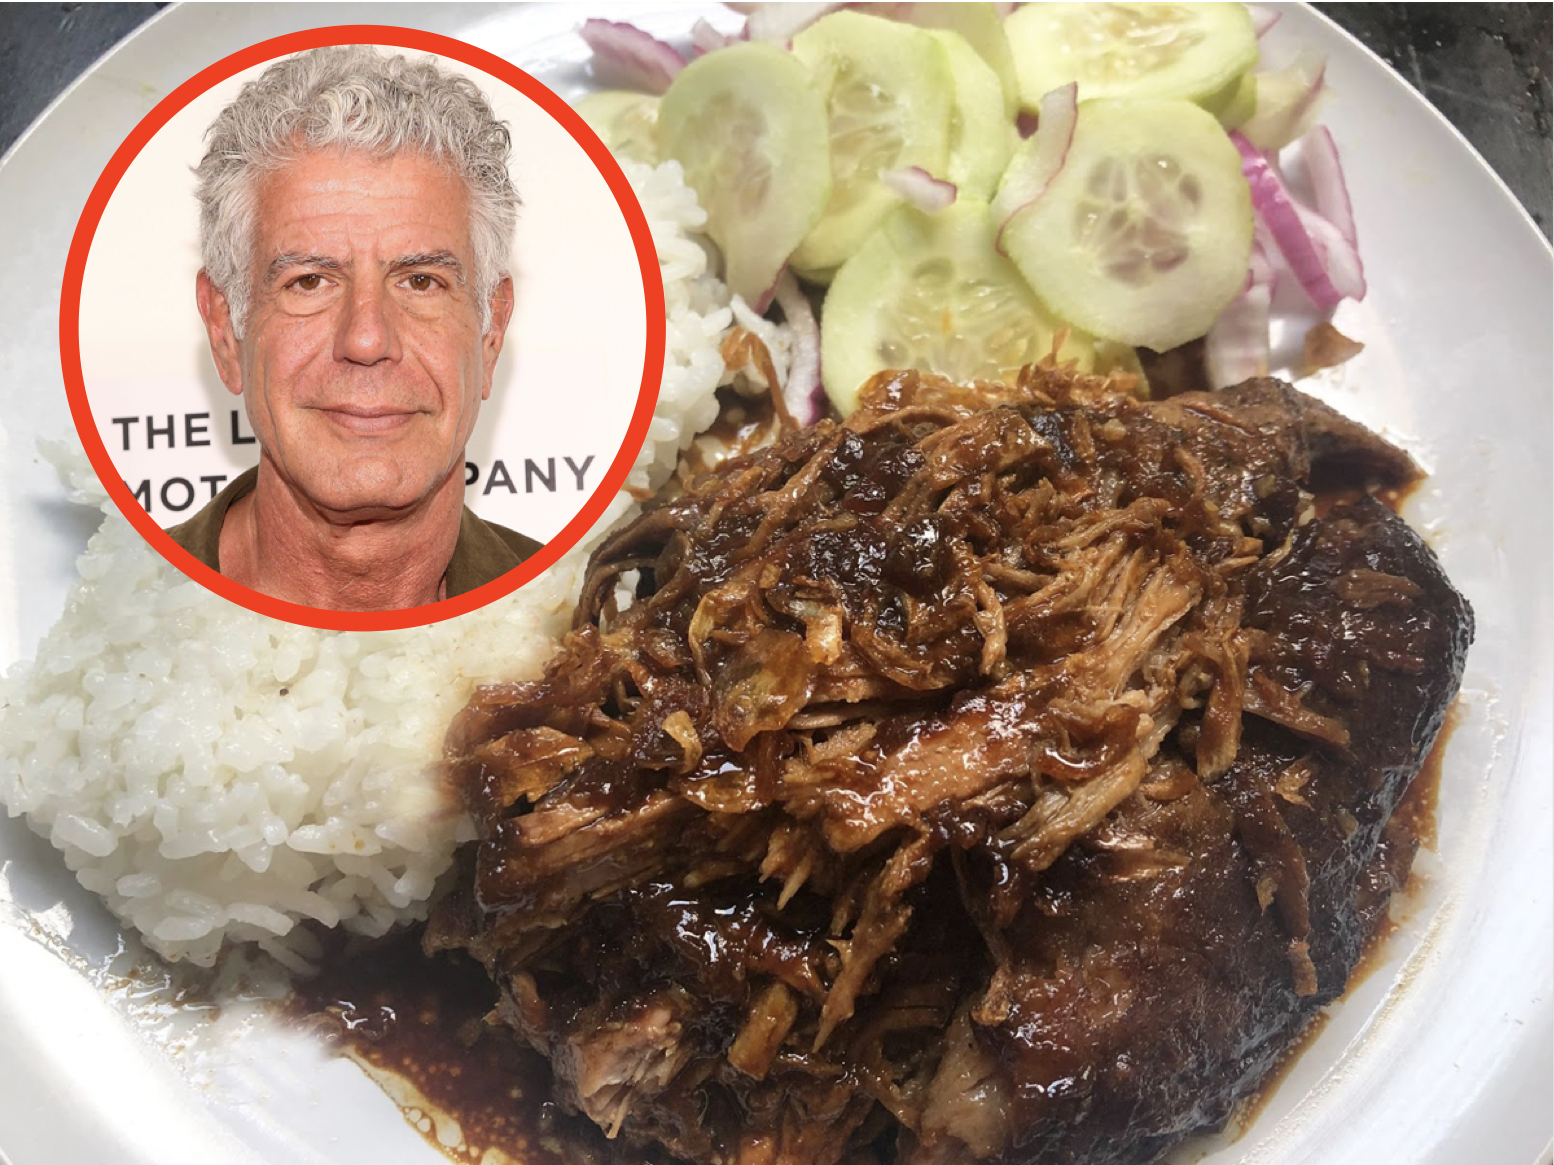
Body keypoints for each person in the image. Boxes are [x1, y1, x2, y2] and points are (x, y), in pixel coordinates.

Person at [167, 45, 541, 611]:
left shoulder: (595, 626)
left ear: (491, 334)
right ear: (225, 331)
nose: (366, 340)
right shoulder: (98, 642)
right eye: (310, 282)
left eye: (420, 282)